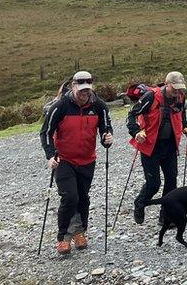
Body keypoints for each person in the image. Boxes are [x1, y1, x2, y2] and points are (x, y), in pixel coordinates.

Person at [40, 70, 113, 255]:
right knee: (69, 197)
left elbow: (105, 128)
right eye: (81, 90)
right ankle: (63, 237)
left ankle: (80, 231)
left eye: (87, 90)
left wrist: (107, 138)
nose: (84, 94)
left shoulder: (99, 106)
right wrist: (50, 155)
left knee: (83, 198)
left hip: (88, 159)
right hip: (64, 159)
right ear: (73, 86)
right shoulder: (60, 106)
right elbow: (46, 132)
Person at [128, 71, 187, 225]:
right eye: (174, 88)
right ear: (166, 83)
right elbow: (131, 115)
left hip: (170, 145)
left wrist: (185, 127)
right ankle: (140, 203)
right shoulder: (151, 97)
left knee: (171, 181)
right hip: (151, 146)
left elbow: (182, 115)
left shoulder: (180, 98)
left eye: (180, 89)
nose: (177, 92)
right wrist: (136, 132)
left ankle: (166, 217)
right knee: (154, 184)